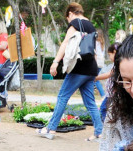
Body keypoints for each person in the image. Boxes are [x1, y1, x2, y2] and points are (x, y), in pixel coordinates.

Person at [35, 3, 103, 141]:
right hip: (91, 70)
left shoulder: (75, 23)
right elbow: (93, 50)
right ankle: (99, 133)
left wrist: (55, 62)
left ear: (71, 13)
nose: (68, 21)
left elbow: (66, 43)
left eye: (68, 18)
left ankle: (50, 128)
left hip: (78, 69)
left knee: (62, 97)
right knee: (90, 102)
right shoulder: (91, 26)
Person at [92, 43, 117, 131]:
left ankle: (108, 128)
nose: (109, 57)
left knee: (103, 109)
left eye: (110, 55)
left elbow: (109, 74)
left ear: (115, 52)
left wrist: (96, 77)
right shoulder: (116, 64)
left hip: (112, 94)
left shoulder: (118, 64)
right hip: (110, 94)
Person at [94, 29, 106, 98]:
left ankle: (102, 94)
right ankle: (101, 94)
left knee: (95, 79)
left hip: (96, 62)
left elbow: (95, 53)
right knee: (95, 79)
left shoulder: (95, 42)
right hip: (101, 63)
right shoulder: (102, 43)